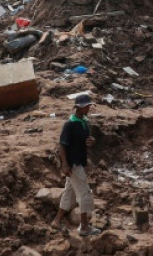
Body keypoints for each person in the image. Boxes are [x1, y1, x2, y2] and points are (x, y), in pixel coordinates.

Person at [51, 93, 101, 236]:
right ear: (79, 108)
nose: (89, 109)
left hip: (80, 161)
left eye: (89, 106)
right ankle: (84, 227)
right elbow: (62, 145)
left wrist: (92, 141)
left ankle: (56, 221)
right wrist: (64, 164)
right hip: (73, 164)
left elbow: (88, 140)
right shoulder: (70, 124)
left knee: (69, 192)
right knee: (85, 193)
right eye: (86, 107)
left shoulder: (84, 122)